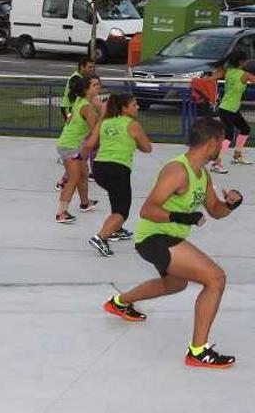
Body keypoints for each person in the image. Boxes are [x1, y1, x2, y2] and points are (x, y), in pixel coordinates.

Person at [104, 118, 242, 369]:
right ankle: (198, 351)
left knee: (175, 284)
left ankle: (120, 302)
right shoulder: (177, 170)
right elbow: (147, 210)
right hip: (153, 237)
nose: (223, 147)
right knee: (216, 279)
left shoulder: (203, 174)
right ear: (211, 143)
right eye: (221, 142)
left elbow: (215, 210)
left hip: (169, 237)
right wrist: (183, 216)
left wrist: (231, 204)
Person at [85, 93, 152, 256]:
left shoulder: (106, 121)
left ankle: (115, 230)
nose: (138, 107)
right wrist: (134, 142)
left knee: (116, 202)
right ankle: (101, 237)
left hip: (99, 168)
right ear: (124, 108)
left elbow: (92, 143)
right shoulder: (133, 125)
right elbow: (147, 148)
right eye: (134, 105)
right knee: (122, 211)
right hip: (118, 169)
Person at [55, 76, 100, 224]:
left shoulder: (81, 101)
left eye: (98, 84)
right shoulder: (86, 107)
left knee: (84, 173)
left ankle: (85, 203)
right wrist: (104, 114)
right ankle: (61, 214)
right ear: (86, 89)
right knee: (73, 178)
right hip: (70, 146)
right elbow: (95, 131)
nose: (98, 87)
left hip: (72, 144)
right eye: (95, 85)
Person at [213, 50, 255, 174]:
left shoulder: (230, 72)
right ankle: (216, 163)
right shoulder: (244, 74)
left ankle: (237, 156)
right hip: (227, 109)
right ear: (241, 62)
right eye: (246, 60)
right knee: (228, 137)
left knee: (245, 129)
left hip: (230, 109)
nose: (248, 62)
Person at [60, 57, 96, 122]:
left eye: (93, 67)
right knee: (71, 126)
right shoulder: (75, 78)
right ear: (82, 67)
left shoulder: (83, 78)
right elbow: (73, 93)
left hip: (75, 108)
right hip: (68, 107)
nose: (92, 69)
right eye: (89, 67)